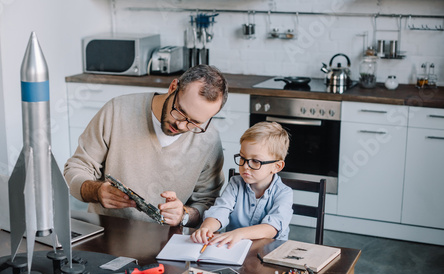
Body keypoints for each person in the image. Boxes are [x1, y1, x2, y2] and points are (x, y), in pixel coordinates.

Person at [64, 64, 228, 227]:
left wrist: (184, 215)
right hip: (106, 232)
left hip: (166, 241)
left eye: (195, 123)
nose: (182, 126)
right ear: (172, 87)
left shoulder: (209, 139)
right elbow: (74, 170)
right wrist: (97, 192)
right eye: (180, 112)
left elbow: (209, 203)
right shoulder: (117, 111)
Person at [190, 121, 293, 248]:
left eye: (255, 161)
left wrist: (239, 233)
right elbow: (221, 210)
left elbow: (272, 228)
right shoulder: (235, 183)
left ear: (277, 166)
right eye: (242, 158)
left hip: (268, 253)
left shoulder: (284, 193)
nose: (244, 166)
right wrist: (206, 228)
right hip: (235, 249)